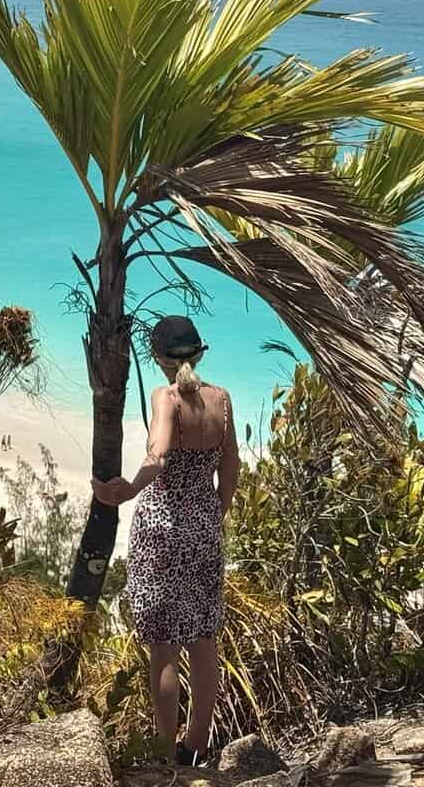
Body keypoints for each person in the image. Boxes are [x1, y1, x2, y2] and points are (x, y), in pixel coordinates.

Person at [92, 315, 239, 767]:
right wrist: (216, 509)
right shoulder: (223, 400)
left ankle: (163, 751)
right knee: (202, 639)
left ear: (157, 358)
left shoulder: (167, 397)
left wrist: (127, 490)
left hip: (162, 527)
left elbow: (157, 455)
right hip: (203, 526)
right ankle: (195, 748)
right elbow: (231, 466)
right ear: (200, 353)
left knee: (163, 645)